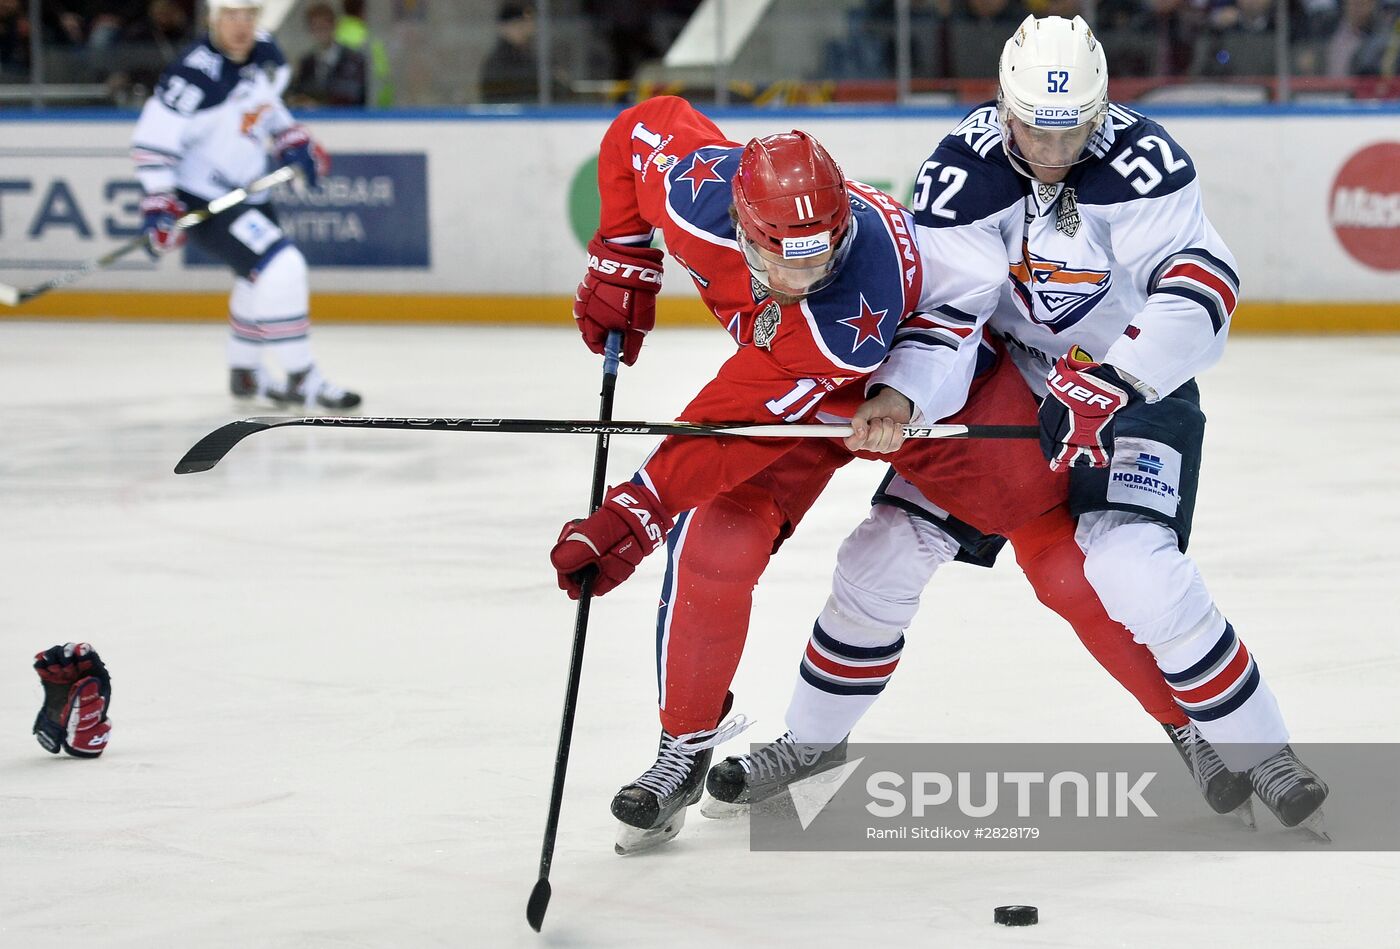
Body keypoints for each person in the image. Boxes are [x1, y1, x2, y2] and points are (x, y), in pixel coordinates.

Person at [549, 95, 1228, 854]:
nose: (807, 271)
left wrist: (631, 516)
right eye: (785, 256)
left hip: (929, 386)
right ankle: (685, 744)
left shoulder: (847, 311)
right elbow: (641, 126)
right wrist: (623, 252)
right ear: (741, 229)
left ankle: (1192, 724)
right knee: (717, 548)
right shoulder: (691, 191)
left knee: (1059, 560)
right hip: (792, 391)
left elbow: (722, 428)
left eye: (824, 250)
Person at [710, 15, 1328, 835]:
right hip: (1008, 383)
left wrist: (1115, 378)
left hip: (1137, 380)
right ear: (1003, 104)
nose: (1050, 148)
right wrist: (902, 397)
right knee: (882, 552)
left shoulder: (1149, 164)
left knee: (1133, 567)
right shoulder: (962, 168)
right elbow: (949, 313)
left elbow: (1202, 284)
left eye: (1071, 128)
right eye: (1034, 126)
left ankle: (1260, 749)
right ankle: (814, 741)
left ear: (1101, 106)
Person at [130, 0, 360, 409]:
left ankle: (246, 372)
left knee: (256, 277)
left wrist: (292, 138)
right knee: (281, 268)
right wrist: (159, 200)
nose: (241, 26)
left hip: (248, 191)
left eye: (248, 16)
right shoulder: (193, 75)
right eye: (230, 16)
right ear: (212, 20)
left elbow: (265, 106)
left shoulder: (265, 53)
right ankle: (300, 377)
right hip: (203, 198)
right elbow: (153, 139)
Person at [289, 1, 367, 107]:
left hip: (347, 119)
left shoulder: (353, 59)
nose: (320, 33)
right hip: (316, 120)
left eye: (324, 27)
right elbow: (298, 91)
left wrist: (320, 103)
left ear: (334, 26)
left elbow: (353, 93)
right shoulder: (307, 62)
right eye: (315, 27)